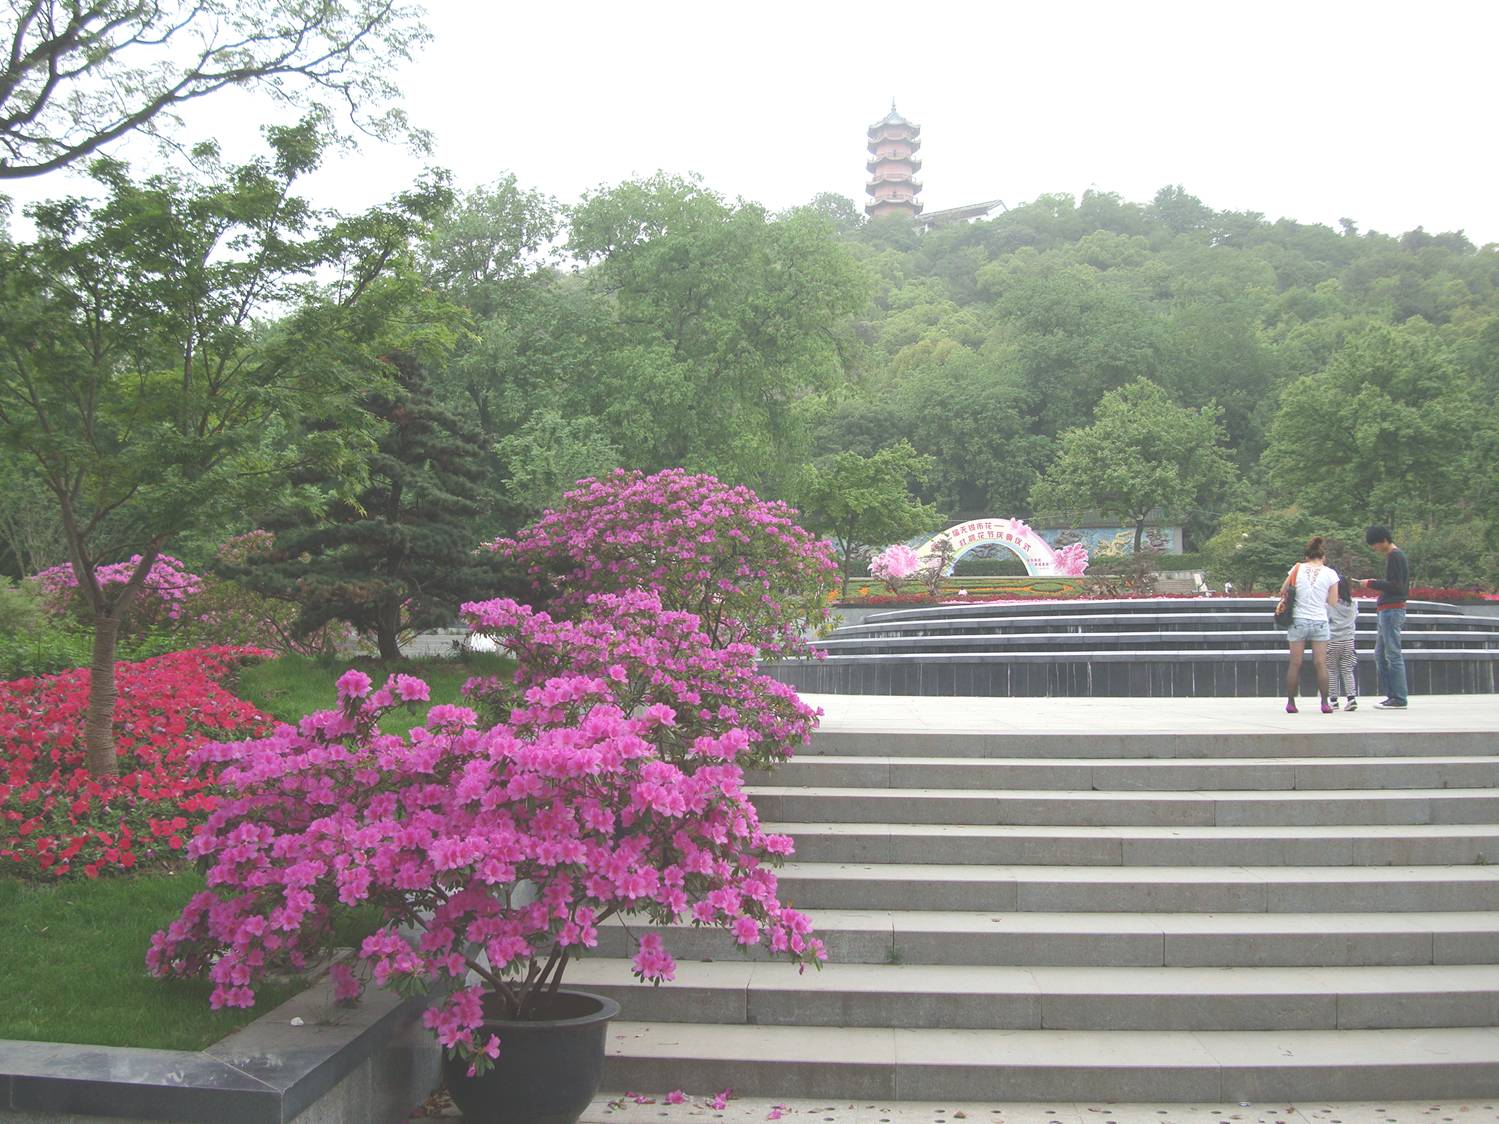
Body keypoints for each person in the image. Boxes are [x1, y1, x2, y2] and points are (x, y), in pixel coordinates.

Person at [1279, 536, 1340, 714]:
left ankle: (1291, 702)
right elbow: (1333, 602)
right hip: (1320, 621)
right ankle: (1324, 703)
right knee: (1321, 664)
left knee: (1295, 663)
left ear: (1307, 556)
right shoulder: (1330, 574)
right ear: (1323, 557)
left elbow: (1284, 590)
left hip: (1298, 619)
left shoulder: (1297, 568)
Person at [1360, 525, 1409, 709]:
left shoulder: (1395, 556)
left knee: (1392, 654)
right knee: (1380, 655)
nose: (1375, 549)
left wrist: (1372, 583)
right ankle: (1392, 695)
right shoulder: (1394, 556)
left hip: (1392, 610)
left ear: (1383, 540)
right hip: (1387, 609)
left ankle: (1398, 697)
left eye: (1375, 545)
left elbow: (1397, 586)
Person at [1327, 576, 1359, 711]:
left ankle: (1333, 700)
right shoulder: (1354, 604)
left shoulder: (1330, 605)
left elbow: (1326, 620)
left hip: (1333, 641)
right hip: (1349, 641)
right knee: (1347, 670)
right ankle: (1351, 698)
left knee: (1332, 671)